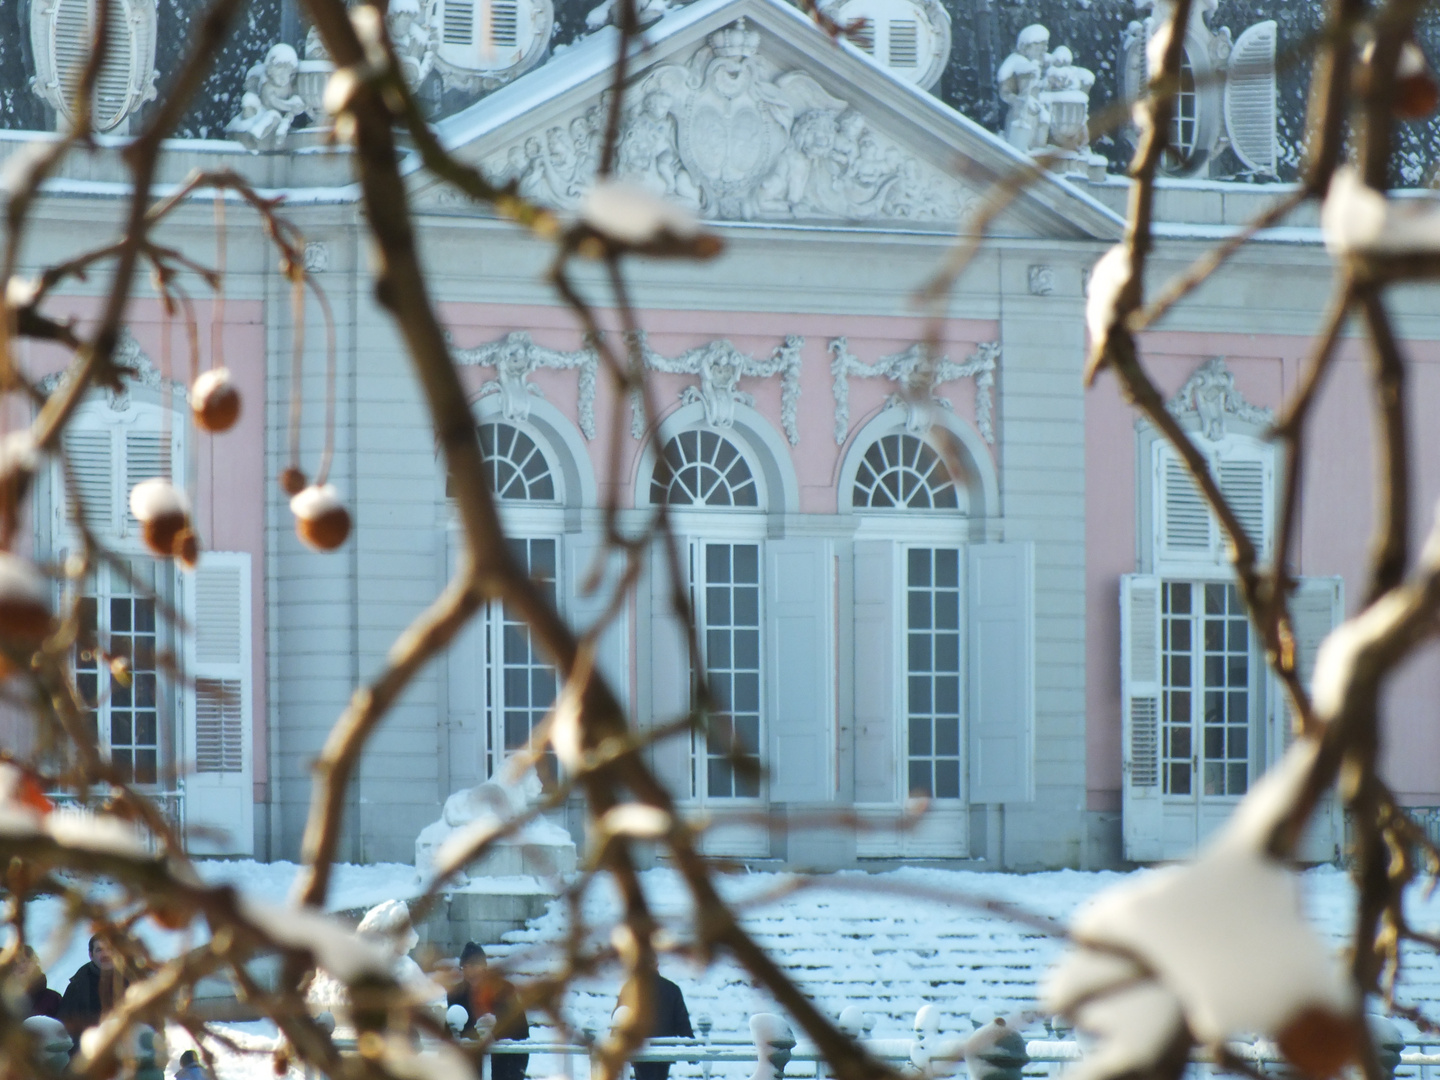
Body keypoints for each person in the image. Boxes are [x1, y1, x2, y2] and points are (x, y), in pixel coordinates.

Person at [447, 942, 529, 1080]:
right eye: (464, 967)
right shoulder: (456, 994)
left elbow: (520, 1029)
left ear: (484, 967)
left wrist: (496, 1030)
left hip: (504, 1060)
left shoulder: (503, 990)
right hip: (471, 1062)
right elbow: (451, 1029)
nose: (469, 971)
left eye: (473, 966)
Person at [58, 935, 128, 1042]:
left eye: (109, 949)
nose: (105, 954)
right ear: (91, 955)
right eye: (99, 950)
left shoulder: (132, 981)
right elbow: (64, 1026)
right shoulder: (77, 987)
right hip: (90, 1051)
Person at [628, 970, 693, 1080]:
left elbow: (620, 1017)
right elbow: (682, 1023)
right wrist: (691, 1048)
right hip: (664, 1049)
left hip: (641, 1048)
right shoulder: (672, 989)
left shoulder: (632, 988)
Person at [16, 944, 61, 1018]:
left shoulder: (53, 999)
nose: (22, 966)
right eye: (16, 963)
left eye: (24, 961)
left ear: (35, 962)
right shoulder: (5, 1005)